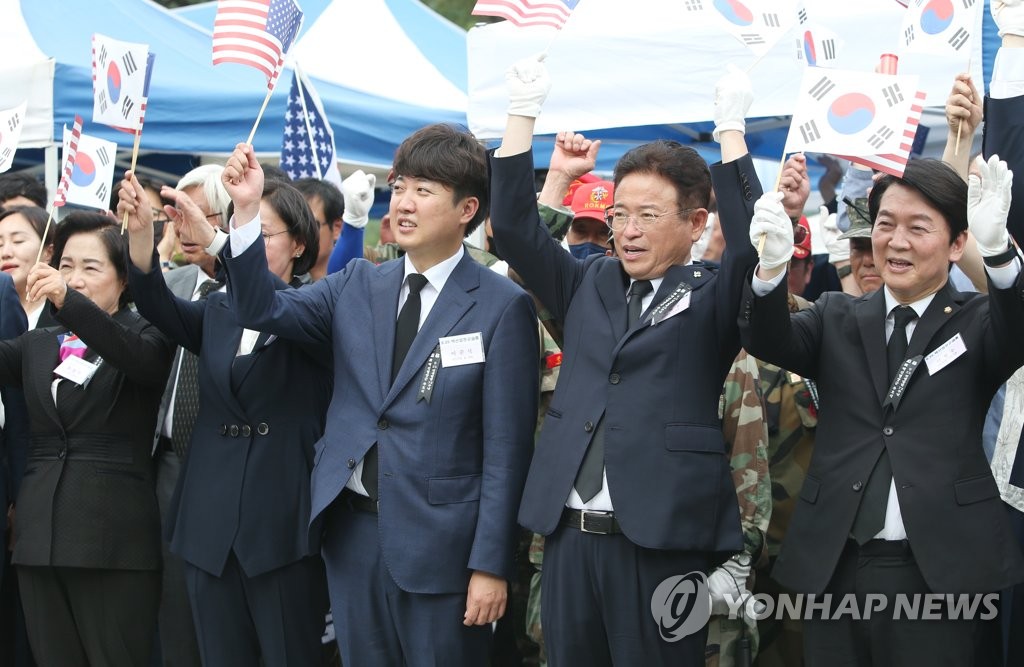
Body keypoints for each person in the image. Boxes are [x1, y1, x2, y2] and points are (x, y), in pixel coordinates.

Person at [217, 129, 539, 665]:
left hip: (445, 547)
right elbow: (260, 309)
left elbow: (507, 450)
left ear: (468, 208)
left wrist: (490, 564)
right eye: (401, 185)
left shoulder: (502, 305)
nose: (405, 204)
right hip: (352, 531)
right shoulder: (358, 283)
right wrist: (248, 212)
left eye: (426, 190)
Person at [490, 57, 762, 665]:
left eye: (648, 216)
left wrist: (731, 132)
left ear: (696, 224)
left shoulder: (712, 293)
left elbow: (750, 249)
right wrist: (522, 116)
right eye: (620, 216)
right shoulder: (588, 282)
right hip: (567, 537)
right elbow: (512, 231)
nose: (628, 232)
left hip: (661, 542)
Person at [740, 155, 1024, 665]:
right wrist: (770, 270)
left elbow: (1017, 321)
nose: (896, 242)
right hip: (836, 565)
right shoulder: (836, 314)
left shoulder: (979, 322)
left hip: (941, 571)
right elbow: (765, 336)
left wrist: (1000, 251)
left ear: (957, 243)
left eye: (919, 228)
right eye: (886, 224)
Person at [119, 170, 332, 666]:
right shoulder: (219, 307)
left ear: (299, 244)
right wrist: (139, 233)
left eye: (260, 232)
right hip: (210, 522)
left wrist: (227, 240)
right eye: (243, 231)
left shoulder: (317, 310)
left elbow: (271, 307)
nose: (249, 244)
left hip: (280, 526)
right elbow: (155, 302)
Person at [0, 212, 174, 666]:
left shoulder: (148, 335)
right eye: (66, 265)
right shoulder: (40, 340)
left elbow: (136, 360)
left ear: (123, 278)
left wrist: (67, 302)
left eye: (90, 268)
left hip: (112, 541)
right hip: (41, 540)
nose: (74, 278)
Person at [0, 206, 56, 327]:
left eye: (18, 241)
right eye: (0, 244)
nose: (5, 253)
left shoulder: (66, 317)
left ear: (49, 252)